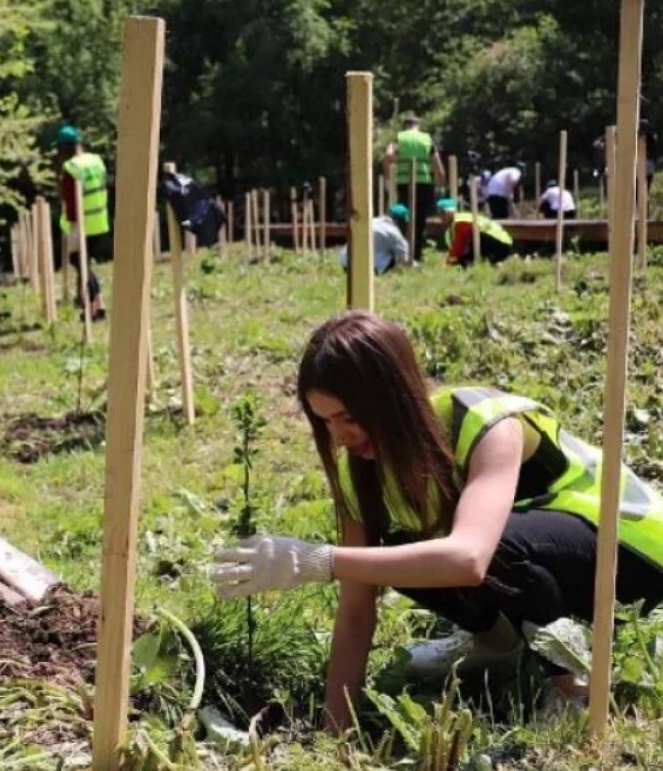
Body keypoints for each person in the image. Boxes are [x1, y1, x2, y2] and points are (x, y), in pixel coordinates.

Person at [210, 311, 663, 733]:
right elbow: (355, 610)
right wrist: (335, 729)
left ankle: (573, 694)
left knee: (484, 545)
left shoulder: (484, 422)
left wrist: (319, 560)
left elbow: (468, 558)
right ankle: (500, 645)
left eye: (349, 417)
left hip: (631, 559)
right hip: (558, 578)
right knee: (391, 555)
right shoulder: (359, 475)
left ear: (393, 396)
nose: (340, 436)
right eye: (326, 421)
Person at [56, 124, 107, 320]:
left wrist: (70, 226)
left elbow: (71, 200)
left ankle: (97, 304)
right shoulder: (96, 161)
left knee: (78, 261)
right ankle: (93, 305)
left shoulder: (71, 168)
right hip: (99, 219)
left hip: (81, 222)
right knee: (84, 263)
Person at [383, 115, 446, 262]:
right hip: (424, 183)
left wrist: (388, 178)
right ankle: (417, 255)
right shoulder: (426, 139)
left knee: (404, 216)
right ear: (418, 126)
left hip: (404, 183)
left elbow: (388, 155)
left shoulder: (400, 138)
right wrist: (441, 183)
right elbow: (437, 164)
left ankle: (403, 252)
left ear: (405, 126)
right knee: (420, 219)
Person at [436, 197, 514, 267]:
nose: (441, 217)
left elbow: (459, 246)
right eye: (439, 214)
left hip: (499, 244)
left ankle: (491, 262)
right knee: (463, 259)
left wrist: (447, 263)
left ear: (450, 212)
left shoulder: (460, 222)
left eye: (443, 213)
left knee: (463, 260)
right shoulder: (462, 218)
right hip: (501, 242)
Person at [337, 204, 409, 275]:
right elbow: (404, 258)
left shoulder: (371, 221)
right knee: (395, 254)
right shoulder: (395, 233)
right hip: (369, 269)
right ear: (401, 222)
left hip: (346, 263)